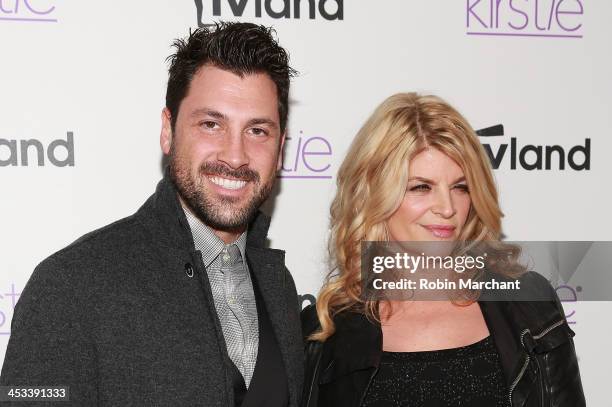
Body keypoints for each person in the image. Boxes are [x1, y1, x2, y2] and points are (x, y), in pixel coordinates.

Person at [1, 22, 303, 406]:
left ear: (280, 149)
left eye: (257, 131)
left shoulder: (278, 286)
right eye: (211, 124)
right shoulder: (71, 287)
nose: (235, 156)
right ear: (168, 130)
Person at [301, 93, 585, 407]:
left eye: (460, 187)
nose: (447, 208)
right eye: (421, 187)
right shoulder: (325, 332)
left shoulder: (528, 305)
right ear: (374, 194)